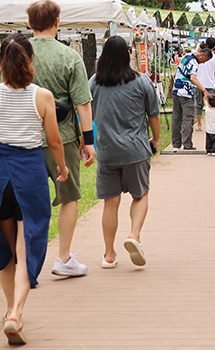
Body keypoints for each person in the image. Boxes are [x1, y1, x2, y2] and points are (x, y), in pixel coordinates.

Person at [0, 34, 68, 346]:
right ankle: (15, 314)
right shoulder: (43, 97)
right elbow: (53, 141)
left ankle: (11, 309)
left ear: (0, 62)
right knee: (26, 252)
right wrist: (62, 168)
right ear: (30, 61)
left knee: (5, 251)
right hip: (31, 176)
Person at [26, 0, 94, 278]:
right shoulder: (69, 56)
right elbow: (83, 104)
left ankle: (28, 265)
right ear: (57, 22)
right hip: (63, 137)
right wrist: (88, 140)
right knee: (69, 196)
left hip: (23, 139)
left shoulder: (19, 54)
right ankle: (63, 258)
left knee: (28, 201)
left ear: (30, 24)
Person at [89, 36, 161, 269]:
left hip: (107, 152)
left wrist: (85, 142)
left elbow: (87, 116)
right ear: (128, 55)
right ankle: (134, 235)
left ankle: (109, 255)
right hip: (135, 150)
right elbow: (153, 115)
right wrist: (156, 139)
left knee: (111, 203)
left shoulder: (94, 83)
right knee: (140, 195)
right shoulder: (141, 81)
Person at [171, 47, 212, 149]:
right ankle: (187, 144)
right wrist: (204, 90)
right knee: (188, 118)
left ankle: (176, 144)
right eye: (205, 60)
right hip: (186, 93)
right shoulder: (194, 62)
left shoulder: (186, 57)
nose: (203, 63)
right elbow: (193, 78)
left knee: (176, 118)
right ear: (202, 55)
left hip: (176, 91)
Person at [194, 37, 215, 131]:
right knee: (211, 105)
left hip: (197, 83)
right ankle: (211, 124)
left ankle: (199, 124)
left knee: (198, 104)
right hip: (210, 84)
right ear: (214, 47)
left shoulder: (198, 55)